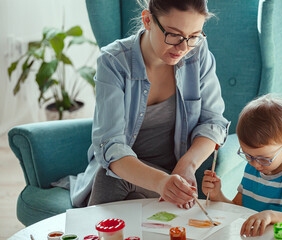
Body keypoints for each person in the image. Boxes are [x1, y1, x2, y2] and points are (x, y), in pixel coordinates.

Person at [65, 0, 229, 209]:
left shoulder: (197, 53)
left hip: (175, 175)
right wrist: (161, 183)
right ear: (148, 20)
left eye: (194, 36)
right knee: (113, 179)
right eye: (174, 35)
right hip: (130, 174)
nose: (183, 47)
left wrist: (186, 166)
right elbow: (111, 146)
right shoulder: (113, 62)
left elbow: (213, 122)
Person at [202, 94, 282, 239]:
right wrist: (217, 195)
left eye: (263, 158)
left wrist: (271, 215)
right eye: (248, 156)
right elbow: (237, 208)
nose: (255, 163)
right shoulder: (252, 169)